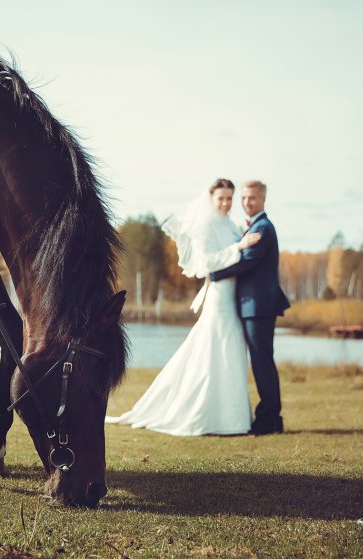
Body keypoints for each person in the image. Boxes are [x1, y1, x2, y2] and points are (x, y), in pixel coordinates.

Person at [105, 179, 261, 436]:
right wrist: (239, 247)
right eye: (221, 198)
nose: (226, 203)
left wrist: (240, 238)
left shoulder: (231, 225)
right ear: (211, 199)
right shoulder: (206, 226)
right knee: (214, 349)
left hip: (233, 297)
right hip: (219, 297)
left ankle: (233, 419)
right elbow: (207, 262)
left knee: (229, 350)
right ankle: (206, 415)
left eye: (229, 198)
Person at [209, 180, 290, 435]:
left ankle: (269, 418)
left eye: (252, 198)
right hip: (253, 306)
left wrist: (214, 274)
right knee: (261, 361)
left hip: (258, 306)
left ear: (263, 199)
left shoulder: (263, 228)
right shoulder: (254, 226)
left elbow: (246, 263)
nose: (246, 202)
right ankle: (270, 417)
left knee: (262, 362)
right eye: (244, 198)